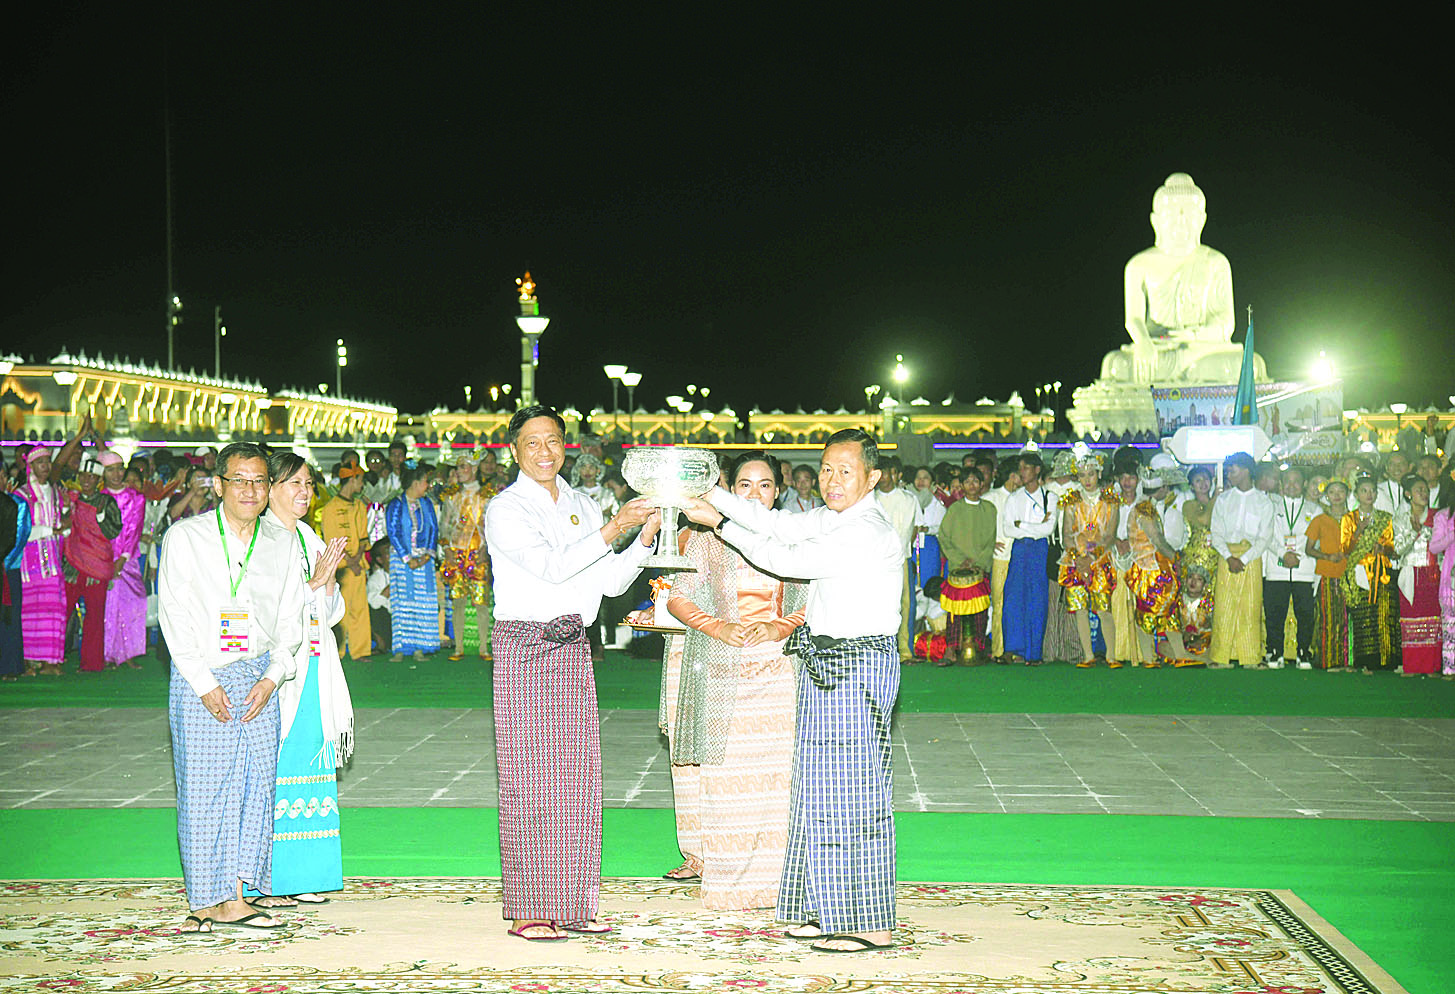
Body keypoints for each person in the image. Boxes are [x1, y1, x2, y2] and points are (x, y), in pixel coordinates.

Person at [680, 427, 902, 953]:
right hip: (822, 659)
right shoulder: (833, 517)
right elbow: (777, 523)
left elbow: (787, 560)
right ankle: (821, 909)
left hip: (857, 662)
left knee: (855, 794)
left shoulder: (867, 529)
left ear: (872, 477)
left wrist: (720, 524)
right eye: (826, 469)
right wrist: (711, 493)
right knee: (816, 791)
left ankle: (869, 921)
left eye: (845, 471)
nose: (832, 480)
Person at [483, 405, 660, 942]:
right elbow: (554, 567)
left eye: (553, 441)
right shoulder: (505, 508)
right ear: (514, 450)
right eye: (532, 442)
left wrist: (646, 537)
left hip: (573, 646)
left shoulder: (582, 503)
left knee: (577, 780)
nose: (545, 452)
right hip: (525, 645)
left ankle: (573, 903)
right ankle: (530, 908)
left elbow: (610, 582)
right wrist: (615, 526)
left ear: (566, 445)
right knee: (528, 780)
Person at [158, 440, 308, 933]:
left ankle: (238, 895)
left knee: (255, 787)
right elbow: (173, 615)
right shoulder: (186, 537)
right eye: (239, 480)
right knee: (206, 791)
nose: (250, 490)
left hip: (259, 677)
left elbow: (291, 620)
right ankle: (209, 899)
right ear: (219, 484)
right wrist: (202, 683)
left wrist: (273, 677)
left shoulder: (281, 542)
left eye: (259, 481)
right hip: (203, 675)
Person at [659, 451, 807, 910]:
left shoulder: (791, 538)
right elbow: (677, 598)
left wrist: (779, 627)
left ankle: (780, 883)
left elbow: (812, 601)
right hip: (723, 669)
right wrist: (717, 627)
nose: (755, 494)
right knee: (726, 781)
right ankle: (730, 882)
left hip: (777, 672)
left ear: (778, 491)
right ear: (729, 490)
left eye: (765, 485)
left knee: (777, 782)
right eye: (745, 485)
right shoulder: (708, 539)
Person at [249, 451, 350, 906]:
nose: (305, 492)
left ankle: (304, 875)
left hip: (315, 665)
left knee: (312, 762)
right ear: (269, 489)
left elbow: (331, 612)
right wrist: (314, 586)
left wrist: (327, 583)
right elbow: (267, 610)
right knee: (276, 767)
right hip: (280, 669)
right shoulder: (260, 539)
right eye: (294, 483)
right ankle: (266, 878)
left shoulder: (309, 536)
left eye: (309, 484)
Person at [1208, 453, 1274, 668]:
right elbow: (1216, 533)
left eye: (1233, 470)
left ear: (1246, 470)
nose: (1229, 475)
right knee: (1224, 607)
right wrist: (1229, 557)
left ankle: (1250, 657)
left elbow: (1264, 538)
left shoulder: (1263, 501)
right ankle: (1220, 657)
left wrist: (1243, 558)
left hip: (1251, 558)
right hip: (1226, 556)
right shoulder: (1224, 499)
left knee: (1250, 607)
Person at [1058, 450, 1119, 667]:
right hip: (1075, 560)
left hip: (1100, 559)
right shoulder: (1071, 501)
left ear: (1099, 474)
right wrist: (1079, 558)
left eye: (1091, 474)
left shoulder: (1111, 500)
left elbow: (1110, 535)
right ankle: (1088, 655)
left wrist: (1092, 557)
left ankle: (1111, 655)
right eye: (1082, 475)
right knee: (1080, 609)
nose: (1087, 480)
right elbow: (1066, 535)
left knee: (1103, 608)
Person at [16, 445, 73, 676]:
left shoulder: (56, 493)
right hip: (29, 563)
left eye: (48, 462)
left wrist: (66, 516)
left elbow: (63, 527)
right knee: (30, 611)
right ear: (30, 466)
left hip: (52, 562)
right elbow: (20, 531)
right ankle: (30, 660)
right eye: (40, 462)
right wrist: (52, 530)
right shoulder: (21, 495)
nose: (45, 467)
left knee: (53, 609)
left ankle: (51, 661)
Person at [1125, 462, 1187, 667]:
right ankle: (1148, 656)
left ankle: (1177, 654)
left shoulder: (1145, 507)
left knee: (1168, 610)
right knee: (1148, 610)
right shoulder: (1144, 509)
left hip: (1155, 564)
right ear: (1161, 488)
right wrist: (1175, 558)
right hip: (1148, 566)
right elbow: (1157, 539)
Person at [65, 454, 122, 673]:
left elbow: (113, 531)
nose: (86, 480)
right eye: (83, 475)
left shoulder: (106, 502)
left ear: (98, 480)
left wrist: (100, 518)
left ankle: (91, 663)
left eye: (91, 476)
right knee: (62, 612)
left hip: (96, 566)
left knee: (95, 616)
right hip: (72, 565)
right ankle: (52, 659)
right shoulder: (71, 499)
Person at [1000, 450, 1055, 666]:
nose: (1022, 472)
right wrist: (1034, 527)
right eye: (1020, 468)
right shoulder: (1014, 498)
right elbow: (1008, 529)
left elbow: (1048, 529)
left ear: (1037, 470)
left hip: (1039, 550)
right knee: (1014, 598)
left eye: (1026, 468)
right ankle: (1013, 648)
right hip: (1020, 549)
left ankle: (1034, 652)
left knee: (1037, 598)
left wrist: (1022, 525)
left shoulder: (1050, 497)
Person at [937, 466, 997, 663]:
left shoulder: (989, 509)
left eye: (975, 481)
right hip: (958, 567)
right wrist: (960, 560)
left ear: (982, 484)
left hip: (980, 568)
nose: (972, 485)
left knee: (980, 611)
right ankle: (951, 649)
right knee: (955, 611)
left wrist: (977, 562)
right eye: (967, 481)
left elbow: (991, 540)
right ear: (962, 486)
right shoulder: (955, 509)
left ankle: (978, 648)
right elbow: (944, 537)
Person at [439, 454, 496, 662]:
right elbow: (444, 525)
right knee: (458, 601)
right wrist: (447, 549)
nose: (458, 471)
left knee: (481, 602)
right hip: (456, 552)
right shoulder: (451, 497)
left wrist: (485, 549)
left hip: (477, 552)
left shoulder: (486, 496)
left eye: (463, 467)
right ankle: (459, 647)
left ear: (474, 468)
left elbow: (491, 527)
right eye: (457, 467)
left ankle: (484, 647)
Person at [1262, 465, 1320, 668]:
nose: (1291, 485)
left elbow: (1316, 539)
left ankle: (1303, 652)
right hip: (1276, 567)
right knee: (1274, 613)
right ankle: (1274, 651)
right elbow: (1266, 535)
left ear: (1304, 484)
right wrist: (1283, 554)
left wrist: (1297, 555)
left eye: (1296, 481)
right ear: (1281, 484)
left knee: (1305, 613)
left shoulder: (1315, 509)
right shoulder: (1271, 506)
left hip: (1304, 569)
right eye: (1287, 481)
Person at [1342, 476, 1399, 672]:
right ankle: (1365, 659)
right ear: (1356, 494)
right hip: (1360, 570)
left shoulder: (1384, 518)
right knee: (1363, 614)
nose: (1369, 494)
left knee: (1382, 613)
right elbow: (1346, 548)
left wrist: (1383, 549)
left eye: (1372, 491)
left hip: (1381, 570)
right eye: (1364, 491)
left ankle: (1385, 658)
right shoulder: (1349, 519)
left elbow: (1391, 545)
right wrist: (1359, 531)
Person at [385, 465, 439, 662]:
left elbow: (433, 530)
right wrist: (408, 559)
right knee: (402, 603)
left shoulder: (427, 503)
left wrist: (426, 557)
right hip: (402, 562)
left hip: (424, 562)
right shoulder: (396, 504)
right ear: (415, 483)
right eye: (426, 481)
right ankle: (401, 648)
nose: (428, 486)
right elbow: (393, 532)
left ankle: (420, 648)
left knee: (423, 603)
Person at [319, 462, 373, 660]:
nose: (362, 485)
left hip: (358, 566)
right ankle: (337, 652)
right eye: (360, 480)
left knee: (360, 609)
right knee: (339, 610)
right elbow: (331, 540)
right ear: (353, 480)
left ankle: (361, 651)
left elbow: (364, 537)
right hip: (340, 569)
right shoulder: (330, 509)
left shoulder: (359, 506)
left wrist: (357, 559)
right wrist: (350, 562)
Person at [97, 452, 147, 669]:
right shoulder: (97, 497)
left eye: (119, 468)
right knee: (107, 606)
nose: (116, 474)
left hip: (128, 559)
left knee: (132, 602)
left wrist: (122, 559)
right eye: (110, 470)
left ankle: (128, 653)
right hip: (101, 559)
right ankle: (106, 653)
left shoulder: (136, 498)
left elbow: (135, 529)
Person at [874, 455, 921, 662]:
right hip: (875, 561)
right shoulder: (870, 500)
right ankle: (880, 650)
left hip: (901, 558)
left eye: (887, 472)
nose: (884, 477)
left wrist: (900, 550)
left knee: (905, 603)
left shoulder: (909, 499)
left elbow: (913, 528)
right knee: (877, 603)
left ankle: (905, 650)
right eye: (880, 473)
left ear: (894, 474)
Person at [1392, 474, 1439, 676]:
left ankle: (1432, 666)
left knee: (1433, 620)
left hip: (1432, 572)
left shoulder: (1437, 516)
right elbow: (1398, 550)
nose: (1423, 493)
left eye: (1426, 490)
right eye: (1419, 490)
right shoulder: (1401, 518)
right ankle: (1412, 666)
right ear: (1408, 494)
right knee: (1411, 621)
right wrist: (1413, 532)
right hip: (1411, 573)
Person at [1305, 479, 1352, 670]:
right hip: (1327, 574)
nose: (1337, 495)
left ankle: (1347, 660)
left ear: (1347, 494)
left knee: (1347, 619)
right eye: (1332, 492)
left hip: (1349, 575)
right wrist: (1327, 556)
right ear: (1326, 496)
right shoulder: (1320, 520)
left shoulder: (1353, 519)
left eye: (1341, 491)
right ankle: (1328, 660)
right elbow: (1308, 549)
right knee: (1329, 618)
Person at [984, 457, 1020, 660]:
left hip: (1020, 556)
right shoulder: (991, 497)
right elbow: (979, 527)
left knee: (1017, 603)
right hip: (1000, 557)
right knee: (999, 603)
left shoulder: (1023, 497)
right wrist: (989, 543)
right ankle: (998, 649)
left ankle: (1015, 649)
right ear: (1012, 476)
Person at [1, 480, 30, 681]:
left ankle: (10, 666)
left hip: (7, 568)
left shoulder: (17, 504)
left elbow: (19, 537)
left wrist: (3, 561)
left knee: (8, 617)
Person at [1430, 464, 1455, 677]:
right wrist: (1452, 535)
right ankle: (1450, 667)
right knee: (1451, 624)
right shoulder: (1443, 516)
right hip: (1451, 577)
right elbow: (1434, 547)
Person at [1180, 465, 1219, 592]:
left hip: (1218, 557)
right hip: (1196, 560)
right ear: (1191, 486)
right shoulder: (1189, 505)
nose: (1203, 483)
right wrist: (1215, 498)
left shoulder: (1220, 503)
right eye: (1198, 480)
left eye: (1206, 479)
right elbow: (1204, 521)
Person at [365, 537, 392, 653]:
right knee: (369, 609)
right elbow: (373, 604)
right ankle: (381, 644)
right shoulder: (376, 578)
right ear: (380, 560)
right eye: (388, 552)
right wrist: (392, 586)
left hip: (407, 623)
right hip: (388, 625)